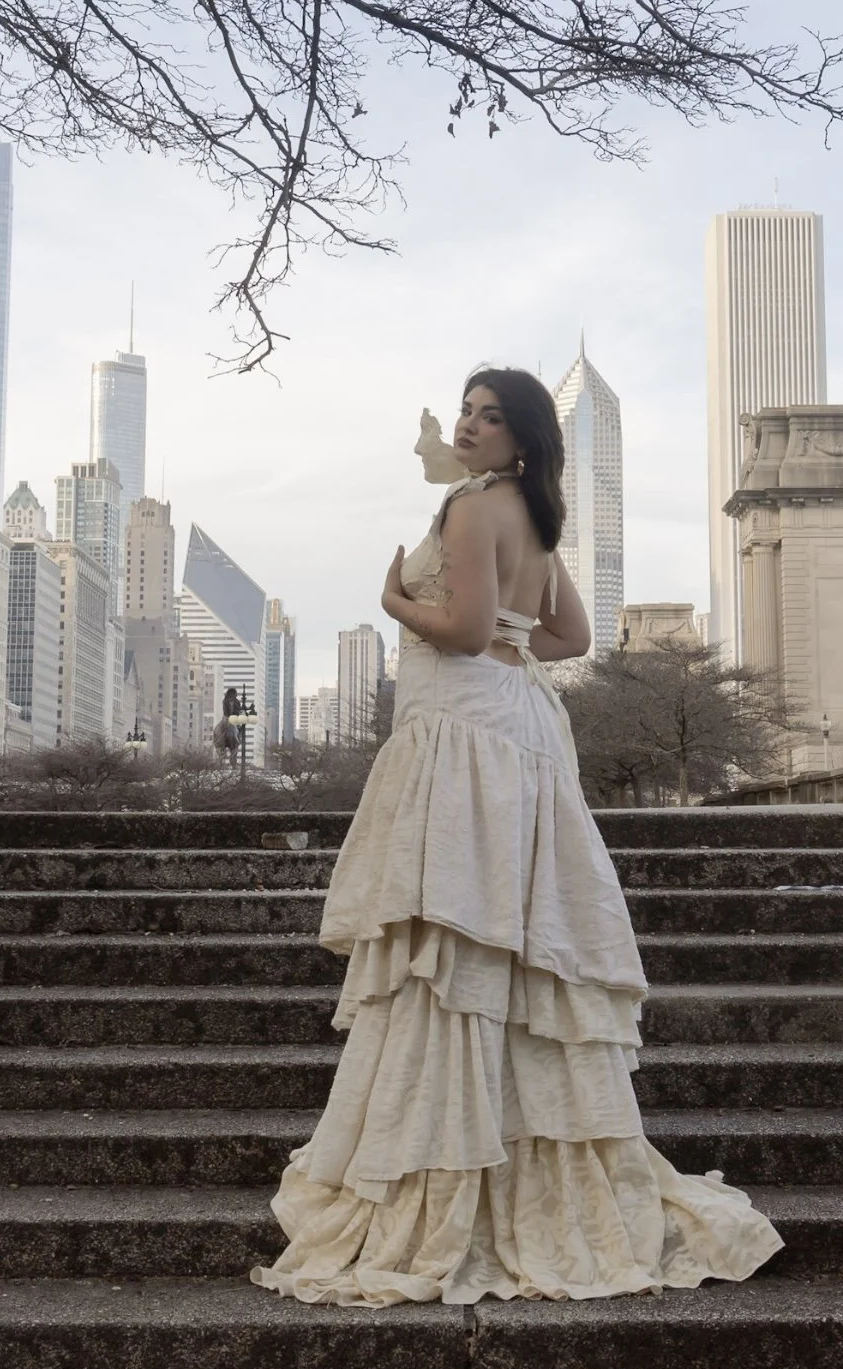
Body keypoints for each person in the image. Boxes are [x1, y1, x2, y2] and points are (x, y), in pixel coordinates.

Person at [251, 368, 782, 1304]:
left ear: (522, 438)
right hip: (520, 727)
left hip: (462, 728)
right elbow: (569, 637)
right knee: (513, 939)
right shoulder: (534, 518)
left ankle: (446, 1178)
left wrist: (394, 605)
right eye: (466, 409)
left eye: (489, 416)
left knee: (455, 937)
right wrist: (502, 645)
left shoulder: (470, 508)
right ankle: (515, 1167)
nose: (467, 424)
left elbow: (456, 632)